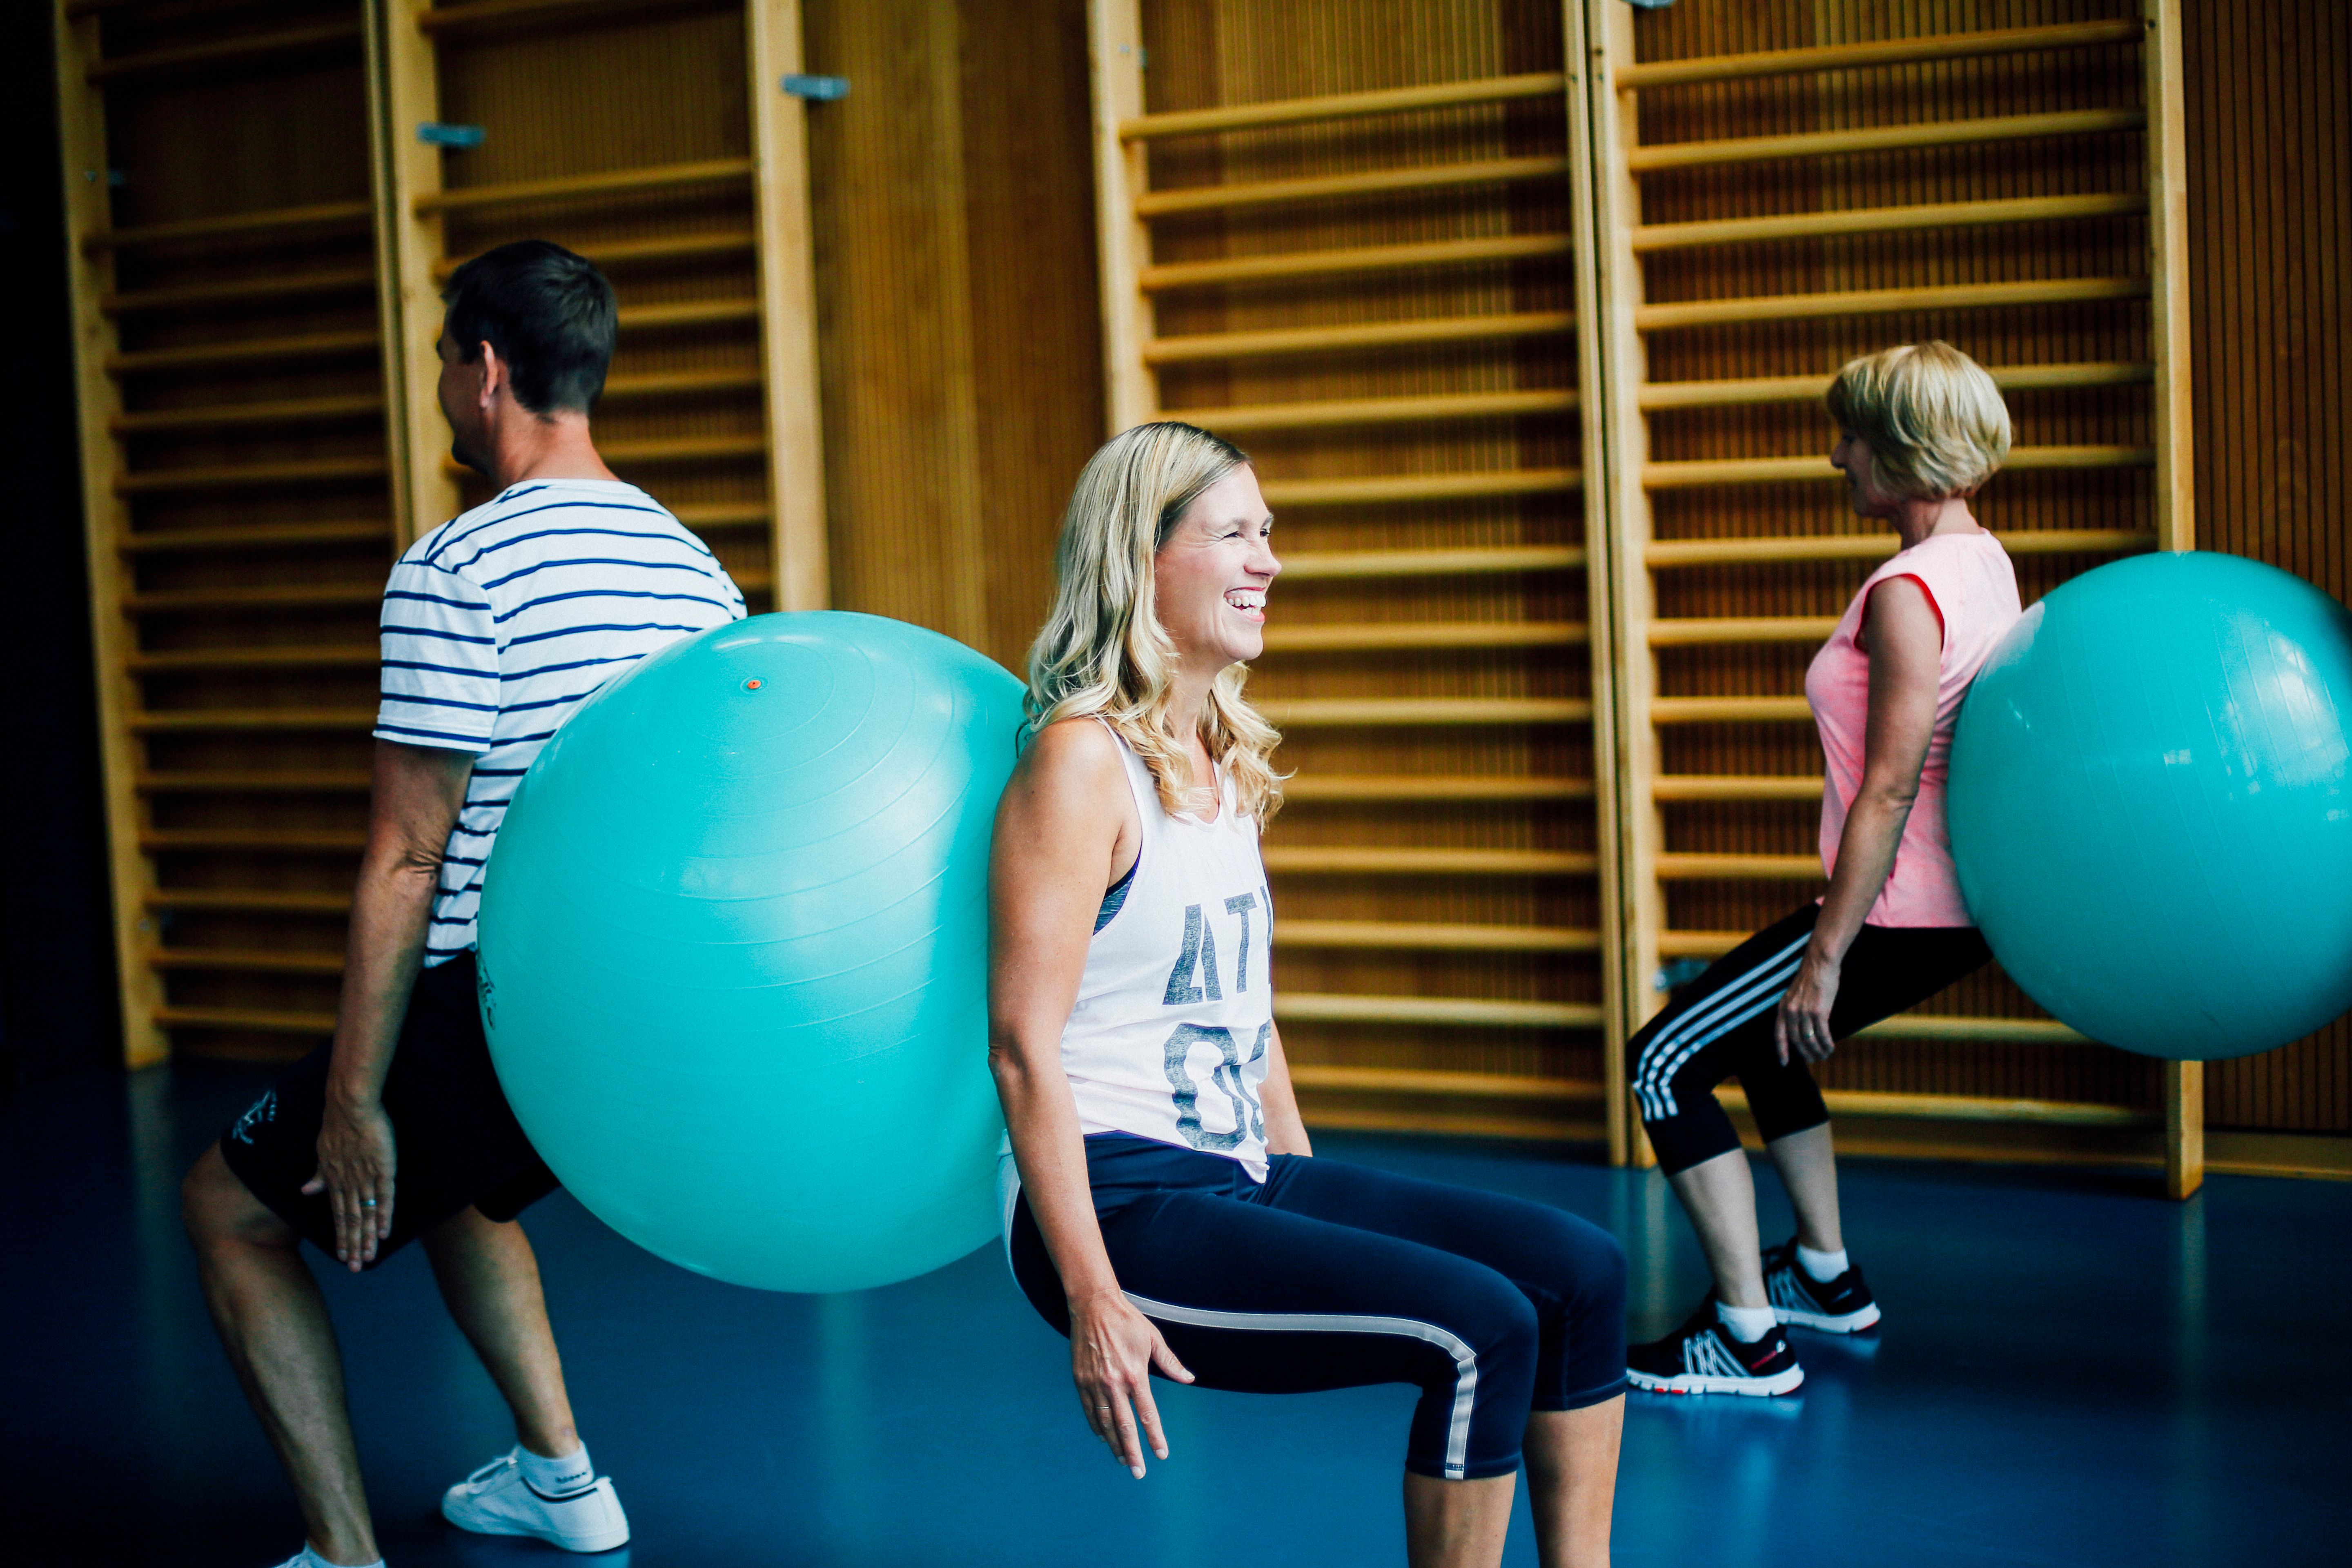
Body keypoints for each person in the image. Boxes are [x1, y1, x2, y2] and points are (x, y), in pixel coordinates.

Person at [179, 240, 746, 1566]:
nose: (445, 385)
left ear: (484, 371)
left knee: (228, 1211)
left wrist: (353, 1094)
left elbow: (406, 858)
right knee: (462, 1192)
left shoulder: (458, 568)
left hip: (509, 1003)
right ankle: (561, 1483)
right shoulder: (690, 565)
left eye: (446, 361)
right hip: (651, 1011)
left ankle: (341, 1554)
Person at [988, 422, 1627, 1568]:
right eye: (1235, 534)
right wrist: (1094, 1298)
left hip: (1237, 1176)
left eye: (1268, 533)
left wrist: (1306, 1187)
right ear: (1142, 558)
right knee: (1482, 1330)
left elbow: (1244, 1007)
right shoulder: (1082, 764)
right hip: (1119, 1205)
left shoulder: (1219, 753)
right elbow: (1023, 1047)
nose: (1268, 562)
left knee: (1583, 1271)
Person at [1623, 342, 2022, 1396]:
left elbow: (1891, 787)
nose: (1833, 453)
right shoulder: (1986, 562)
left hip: (1893, 910)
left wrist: (1824, 960)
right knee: (1768, 1051)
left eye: (1850, 435)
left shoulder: (1907, 589)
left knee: (1661, 1062)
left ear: (1902, 449)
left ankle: (1745, 1339)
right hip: (1945, 907)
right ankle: (1824, 1276)